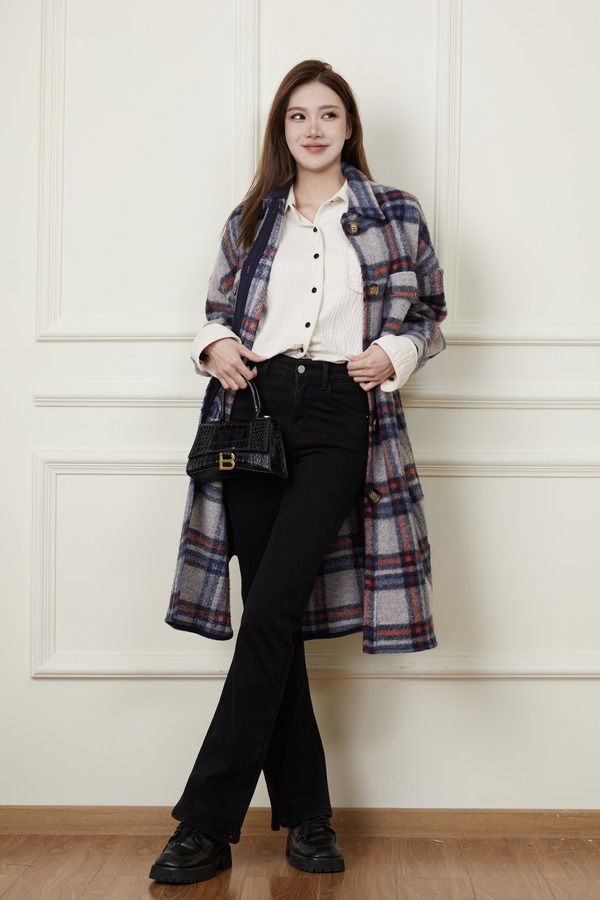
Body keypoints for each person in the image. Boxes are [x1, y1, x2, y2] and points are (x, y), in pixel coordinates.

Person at [150, 59, 446, 885]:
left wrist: (395, 352)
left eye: (328, 114)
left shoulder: (394, 212)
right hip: (254, 409)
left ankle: (204, 824)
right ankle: (310, 818)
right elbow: (217, 311)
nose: (314, 129)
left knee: (275, 607)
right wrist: (214, 345)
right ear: (282, 129)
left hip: (341, 414)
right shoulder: (251, 218)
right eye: (298, 116)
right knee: (271, 617)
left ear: (350, 127)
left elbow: (430, 313)